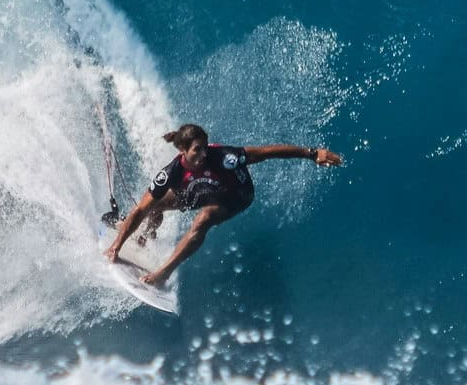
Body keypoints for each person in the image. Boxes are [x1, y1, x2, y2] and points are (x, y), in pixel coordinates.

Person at [105, 123, 343, 287]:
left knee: (204, 219)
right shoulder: (171, 173)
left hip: (236, 195)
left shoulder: (225, 158)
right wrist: (116, 246)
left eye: (205, 147)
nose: (204, 154)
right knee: (155, 207)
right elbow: (140, 209)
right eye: (197, 149)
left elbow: (265, 152)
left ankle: (163, 274)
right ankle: (144, 237)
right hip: (199, 191)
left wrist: (312, 154)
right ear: (182, 151)